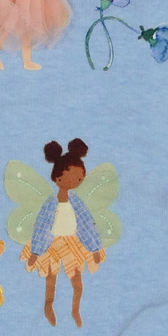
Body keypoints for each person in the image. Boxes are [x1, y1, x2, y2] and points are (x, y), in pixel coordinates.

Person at [22, 139, 105, 325]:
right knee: (51, 279)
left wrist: (94, 248)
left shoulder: (77, 204)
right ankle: (48, 308)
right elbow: (42, 226)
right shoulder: (50, 205)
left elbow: (86, 224)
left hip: (72, 244)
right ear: (57, 178)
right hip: (51, 244)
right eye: (72, 176)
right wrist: (35, 252)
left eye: (79, 178)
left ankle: (75, 309)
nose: (76, 181)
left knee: (77, 281)